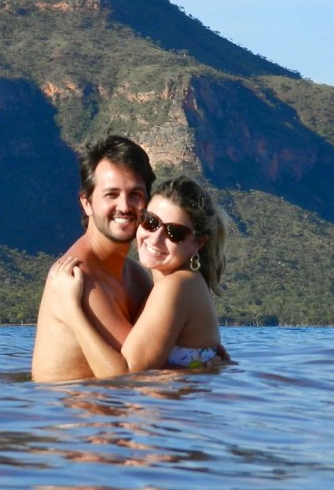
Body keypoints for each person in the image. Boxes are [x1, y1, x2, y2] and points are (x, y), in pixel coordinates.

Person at [48, 175, 228, 375]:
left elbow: (126, 376)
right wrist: (190, 368)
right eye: (150, 221)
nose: (156, 238)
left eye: (174, 233)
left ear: (199, 243)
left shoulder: (177, 286)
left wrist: (72, 310)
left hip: (170, 406)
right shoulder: (177, 284)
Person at [30, 135, 156, 383]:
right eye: (111, 194)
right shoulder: (79, 276)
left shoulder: (137, 276)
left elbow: (160, 349)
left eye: (135, 194)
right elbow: (135, 371)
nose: (124, 206)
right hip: (76, 417)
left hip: (113, 412)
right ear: (87, 203)